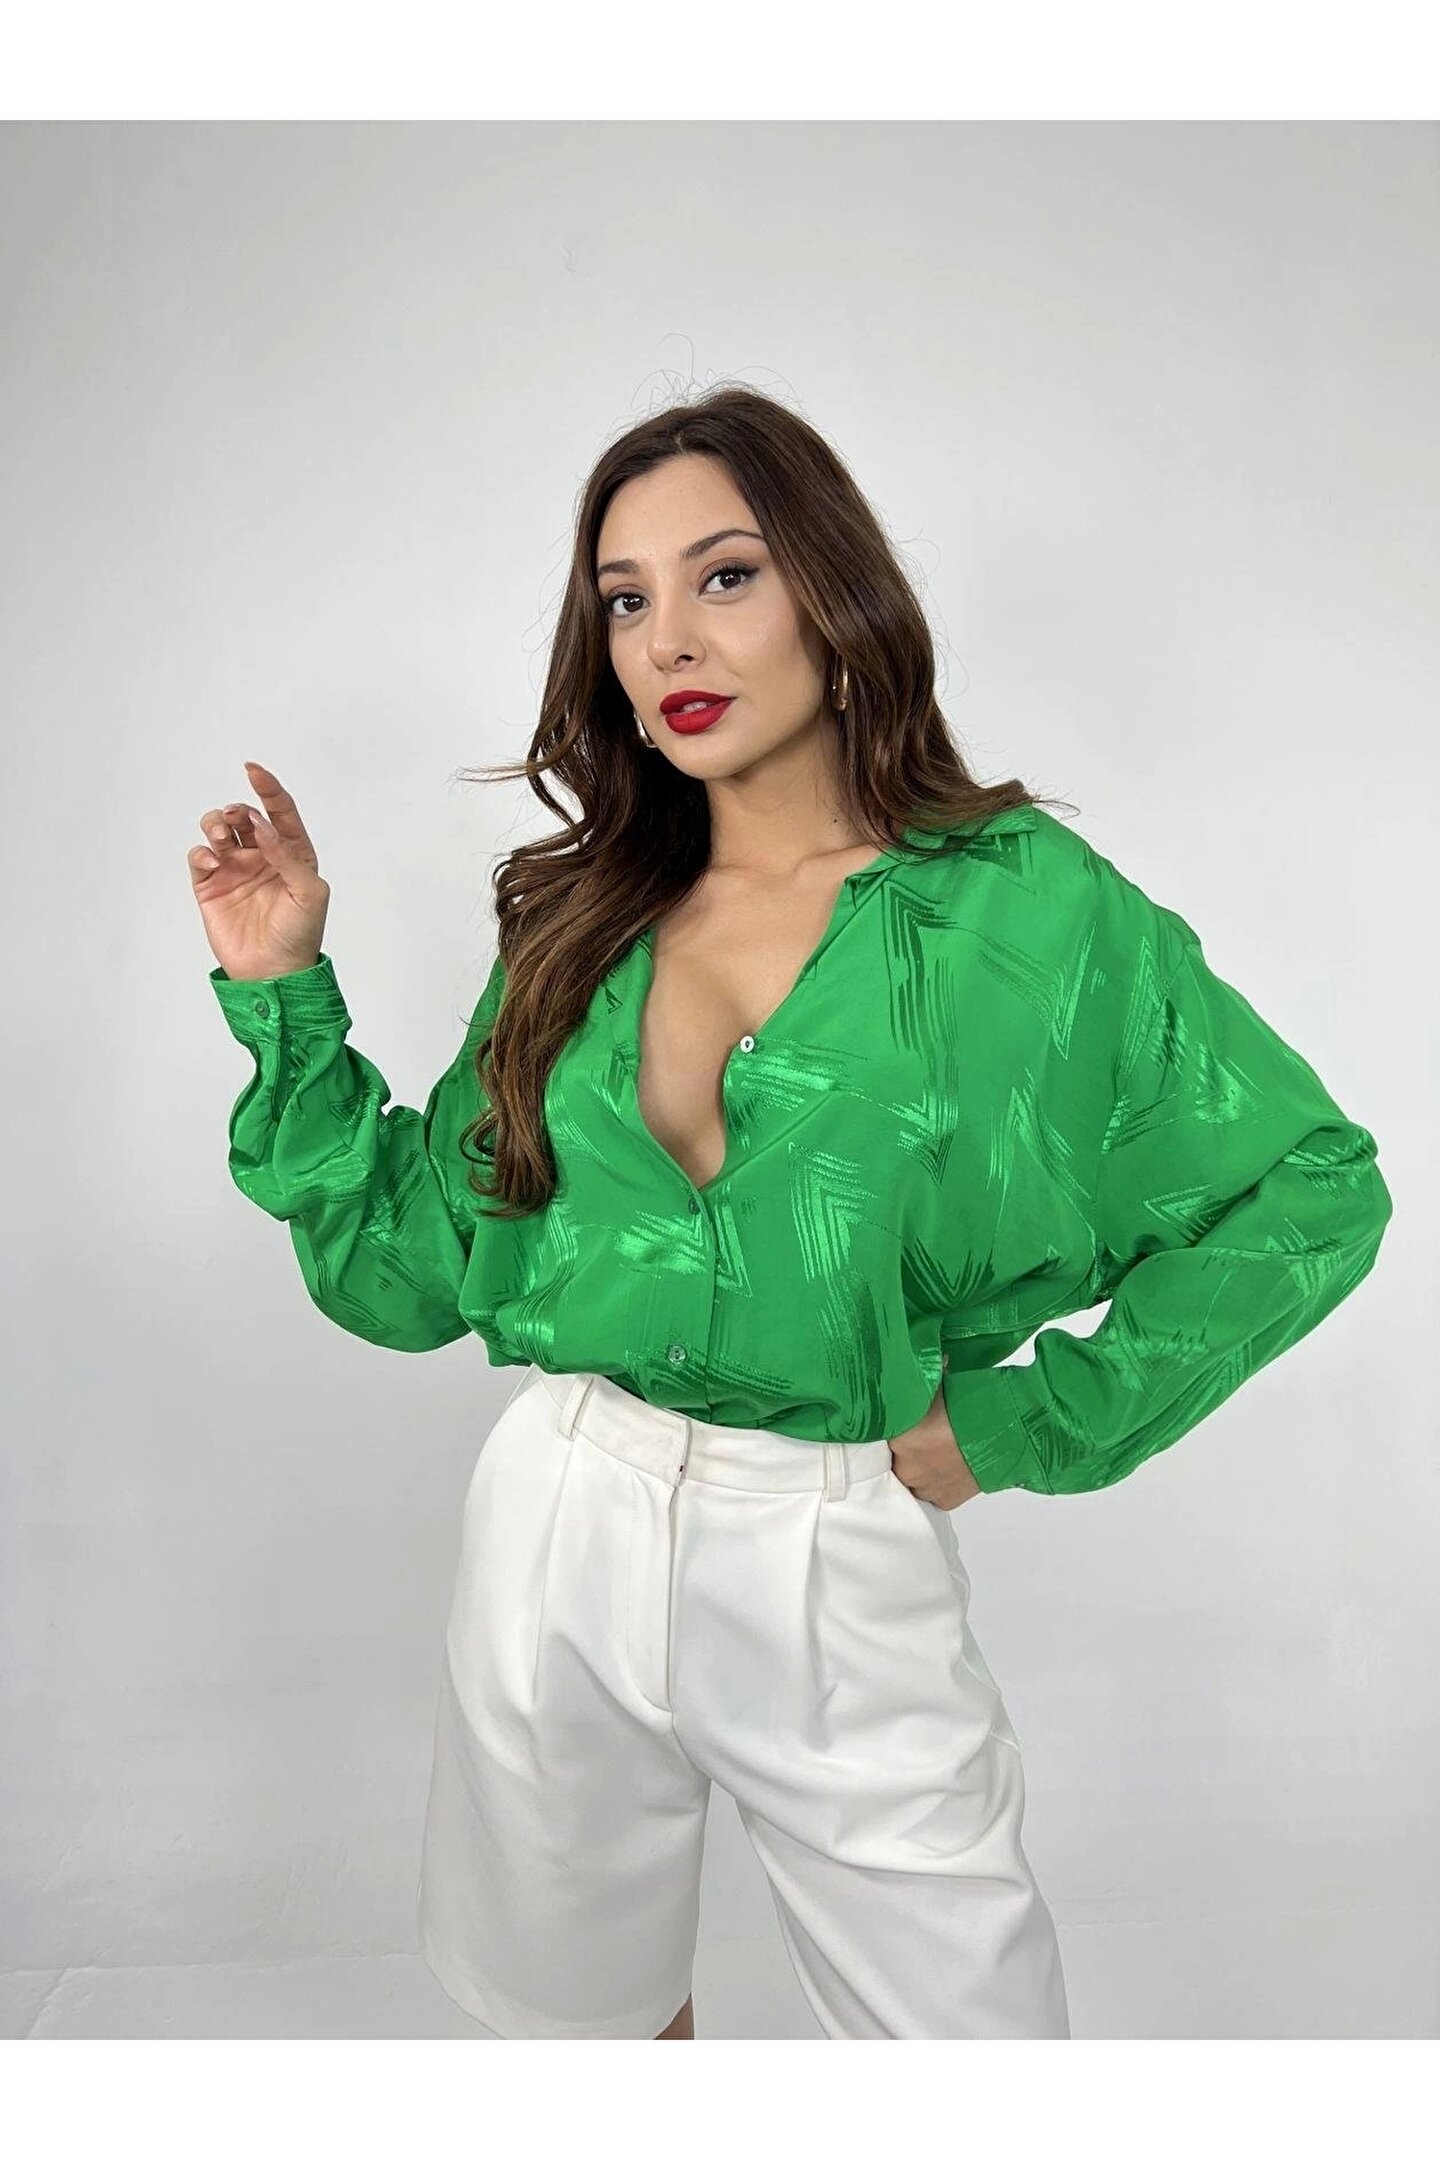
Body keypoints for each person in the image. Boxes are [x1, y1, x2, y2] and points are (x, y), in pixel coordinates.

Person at [189, 387, 1392, 2042]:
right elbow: (415, 1271)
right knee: (586, 2039)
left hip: (834, 1544)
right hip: (561, 1520)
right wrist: (283, 992)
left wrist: (1031, 1421)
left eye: (727, 575)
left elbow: (1312, 1188)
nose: (669, 638)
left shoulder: (1025, 913)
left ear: (836, 594)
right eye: (626, 600)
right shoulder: (582, 920)